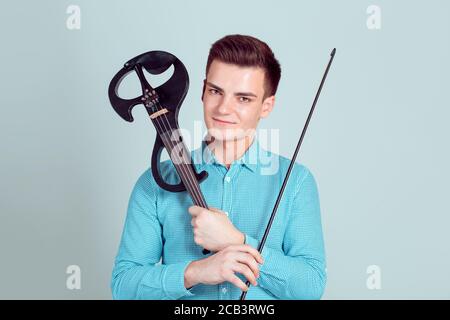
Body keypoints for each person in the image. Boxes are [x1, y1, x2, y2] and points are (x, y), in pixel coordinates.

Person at [111, 34, 326, 300]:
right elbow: (123, 288)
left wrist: (236, 240)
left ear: (266, 106)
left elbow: (310, 287)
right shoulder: (155, 182)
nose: (224, 108)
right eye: (216, 91)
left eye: (243, 98)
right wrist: (196, 272)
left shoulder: (296, 181)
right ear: (202, 91)